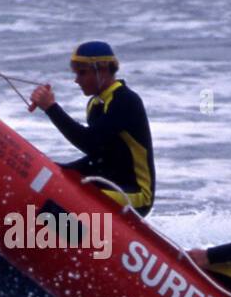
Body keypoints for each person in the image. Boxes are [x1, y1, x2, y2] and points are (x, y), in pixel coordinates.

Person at [28, 41, 155, 216]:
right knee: (54, 181)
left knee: (66, 196)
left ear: (102, 70)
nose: (76, 80)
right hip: (108, 180)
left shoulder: (125, 100)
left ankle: (67, 239)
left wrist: (51, 108)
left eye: (82, 73)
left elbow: (91, 143)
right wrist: (61, 170)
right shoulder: (95, 103)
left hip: (136, 193)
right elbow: (101, 156)